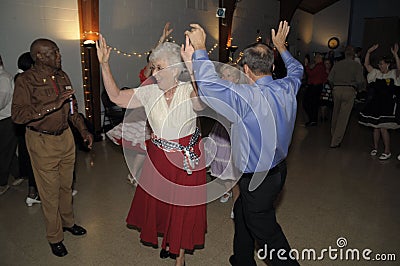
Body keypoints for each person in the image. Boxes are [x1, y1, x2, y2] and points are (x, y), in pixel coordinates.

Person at [185, 21, 302, 266]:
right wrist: (281, 47)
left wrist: (199, 48)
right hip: (279, 171)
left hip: (257, 179)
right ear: (270, 66)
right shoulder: (287, 87)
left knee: (268, 234)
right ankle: (242, 258)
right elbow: (296, 68)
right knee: (242, 214)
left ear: (246, 69)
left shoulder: (244, 97)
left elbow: (208, 86)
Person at [96, 33, 206, 266]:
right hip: (159, 158)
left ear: (176, 69)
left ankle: (180, 256)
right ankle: (169, 239)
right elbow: (116, 96)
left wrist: (192, 66)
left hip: (187, 159)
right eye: (153, 67)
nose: (154, 73)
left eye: (160, 67)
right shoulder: (149, 92)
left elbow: (202, 100)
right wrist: (104, 65)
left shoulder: (188, 90)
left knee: (182, 208)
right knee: (163, 204)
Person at [11, 38, 93, 257]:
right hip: (42, 141)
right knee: (49, 193)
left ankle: (68, 222)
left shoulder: (62, 76)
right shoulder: (25, 80)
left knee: (67, 186)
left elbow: (72, 107)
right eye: (54, 53)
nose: (59, 56)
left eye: (58, 53)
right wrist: (52, 105)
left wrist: (83, 130)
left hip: (66, 137)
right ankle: (55, 237)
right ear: (39, 56)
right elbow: (18, 115)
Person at [105, 22, 172, 186]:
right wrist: (161, 40)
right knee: (144, 147)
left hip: (157, 113)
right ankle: (134, 175)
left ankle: (136, 175)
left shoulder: (165, 77)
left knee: (148, 149)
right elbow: (152, 62)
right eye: (154, 63)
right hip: (145, 114)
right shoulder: (147, 73)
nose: (156, 67)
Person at [205, 63, 243, 218]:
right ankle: (227, 190)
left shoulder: (241, 93)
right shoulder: (221, 92)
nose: (223, 78)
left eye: (228, 75)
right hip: (221, 133)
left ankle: (237, 204)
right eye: (222, 75)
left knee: (233, 172)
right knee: (222, 168)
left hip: (234, 136)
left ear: (236, 78)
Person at [359, 43, 400, 159]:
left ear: (387, 64)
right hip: (376, 103)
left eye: (382, 64)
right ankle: (375, 148)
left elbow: (399, 68)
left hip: (387, 104)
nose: (380, 66)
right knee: (375, 127)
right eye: (379, 64)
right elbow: (366, 64)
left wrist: (396, 55)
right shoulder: (376, 73)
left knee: (383, 128)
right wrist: (368, 52)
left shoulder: (393, 74)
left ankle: (387, 151)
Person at [14, 52, 41, 206]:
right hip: (29, 128)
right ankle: (33, 193)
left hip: (23, 128)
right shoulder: (24, 80)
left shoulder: (20, 78)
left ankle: (32, 193)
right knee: (34, 162)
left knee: (31, 161)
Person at [328, 46, 364, 148]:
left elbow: (330, 78)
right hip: (349, 90)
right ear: (353, 55)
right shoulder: (356, 66)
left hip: (337, 89)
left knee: (335, 114)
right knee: (343, 118)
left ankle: (333, 135)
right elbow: (360, 81)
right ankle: (335, 141)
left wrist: (333, 88)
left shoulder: (337, 64)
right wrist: (359, 89)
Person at [0, 54, 24, 196]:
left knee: (3, 152)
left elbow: (1, 103)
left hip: (6, 120)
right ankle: (19, 173)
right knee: (7, 151)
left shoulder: (3, 78)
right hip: (5, 119)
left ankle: (2, 183)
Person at [303, 52, 327, 126]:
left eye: (316, 57)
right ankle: (313, 120)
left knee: (308, 103)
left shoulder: (319, 66)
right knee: (312, 104)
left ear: (320, 58)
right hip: (316, 87)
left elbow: (311, 74)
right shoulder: (320, 66)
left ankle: (312, 120)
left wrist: (306, 65)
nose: (314, 59)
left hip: (314, 87)